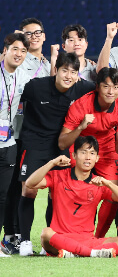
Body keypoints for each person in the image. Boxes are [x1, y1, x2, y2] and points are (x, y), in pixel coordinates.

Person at [17, 52, 95, 256]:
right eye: (64, 70)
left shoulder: (82, 88)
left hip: (61, 146)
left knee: (58, 194)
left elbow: (106, 87)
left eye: (73, 72)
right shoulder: (36, 87)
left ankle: (49, 242)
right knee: (29, 190)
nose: (68, 76)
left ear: (78, 74)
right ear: (56, 71)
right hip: (34, 143)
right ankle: (25, 241)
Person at [27, 136, 118, 258]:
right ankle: (90, 253)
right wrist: (51, 163)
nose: (88, 157)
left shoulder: (98, 183)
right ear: (74, 155)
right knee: (46, 233)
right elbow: (30, 183)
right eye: (83, 152)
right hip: (61, 238)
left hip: (87, 240)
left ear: (97, 158)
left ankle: (75, 252)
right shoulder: (58, 176)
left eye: (92, 153)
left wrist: (108, 183)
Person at [58, 67, 118, 238]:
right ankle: (72, 233)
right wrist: (81, 127)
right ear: (97, 87)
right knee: (75, 190)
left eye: (115, 87)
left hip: (107, 149)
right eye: (106, 86)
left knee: (113, 193)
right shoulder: (81, 105)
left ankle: (97, 238)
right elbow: (62, 141)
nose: (111, 91)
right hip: (82, 146)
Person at [0, 33, 30, 256]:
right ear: (5, 50)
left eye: (23, 51)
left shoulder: (22, 78)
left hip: (8, 142)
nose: (19, 54)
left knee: (2, 195)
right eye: (15, 49)